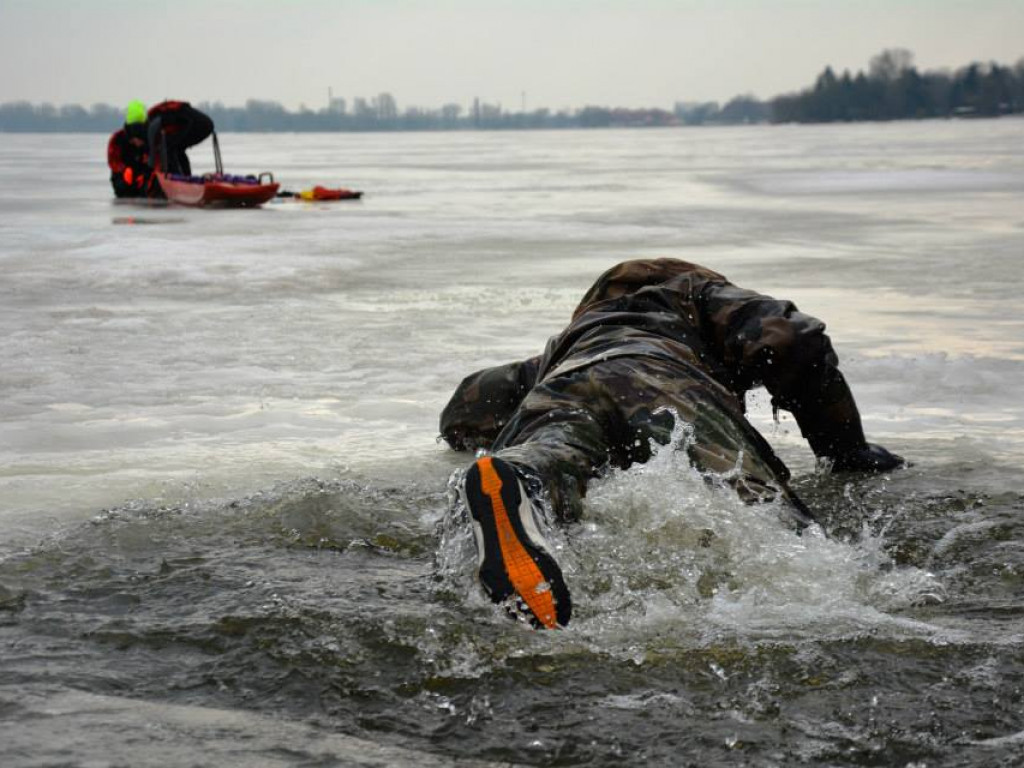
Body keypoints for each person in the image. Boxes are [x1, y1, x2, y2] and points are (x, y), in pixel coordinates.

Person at [440, 258, 904, 629]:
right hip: (668, 388)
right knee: (774, 528)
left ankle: (522, 476)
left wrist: (468, 430)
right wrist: (845, 451)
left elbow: (467, 405)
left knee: (551, 462)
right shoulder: (692, 295)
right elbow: (792, 338)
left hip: (562, 388)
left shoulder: (565, 345)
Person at [145, 100, 213, 176]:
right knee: (176, 148)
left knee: (169, 147)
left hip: (199, 125)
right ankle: (185, 176)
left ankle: (178, 176)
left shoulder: (155, 120)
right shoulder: (157, 115)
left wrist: (149, 171)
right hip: (203, 124)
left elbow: (186, 121)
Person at [107, 100, 155, 198]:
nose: (137, 143)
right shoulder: (118, 139)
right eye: (134, 140)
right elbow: (114, 162)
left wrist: (147, 175)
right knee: (123, 188)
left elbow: (158, 162)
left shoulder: (153, 138)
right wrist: (124, 171)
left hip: (146, 175)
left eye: (140, 140)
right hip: (125, 174)